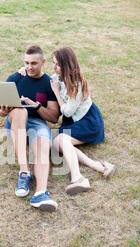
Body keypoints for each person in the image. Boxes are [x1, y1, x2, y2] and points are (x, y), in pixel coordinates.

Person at [19, 47, 116, 195]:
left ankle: (78, 178)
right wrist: (25, 71)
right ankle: (101, 167)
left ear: (66, 65)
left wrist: (57, 93)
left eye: (57, 64)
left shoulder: (77, 84)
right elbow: (44, 78)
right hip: (72, 122)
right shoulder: (57, 77)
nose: (54, 67)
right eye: (53, 63)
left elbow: (67, 111)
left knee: (62, 140)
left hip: (87, 121)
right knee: (57, 143)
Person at [0, 45, 60, 212]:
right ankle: (24, 172)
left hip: (38, 123)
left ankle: (40, 193)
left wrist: (37, 106)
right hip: (16, 121)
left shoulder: (48, 83)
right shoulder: (15, 78)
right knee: (20, 111)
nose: (29, 67)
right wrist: (3, 110)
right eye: (26, 63)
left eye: (34, 63)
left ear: (43, 62)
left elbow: (53, 118)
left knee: (43, 146)